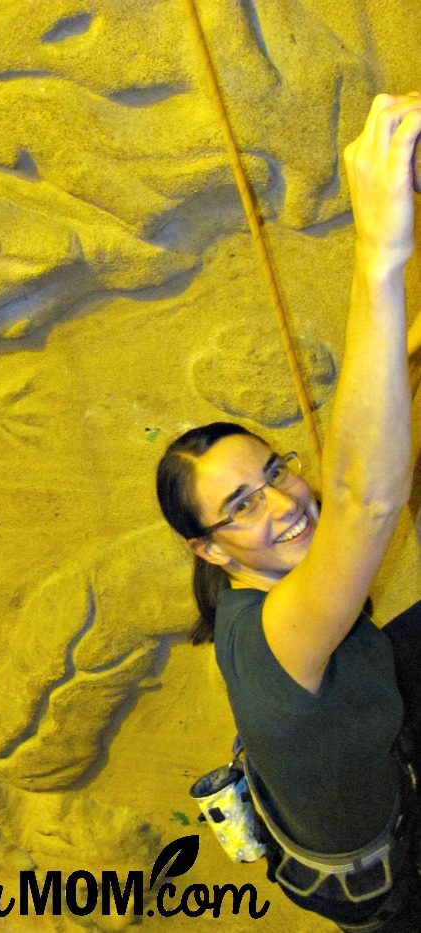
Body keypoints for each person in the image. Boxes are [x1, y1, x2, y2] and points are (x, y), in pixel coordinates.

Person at [156, 93, 421, 932]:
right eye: (243, 504)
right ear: (209, 549)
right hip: (387, 885)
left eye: (274, 470)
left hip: (359, 739)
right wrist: (380, 248)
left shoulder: (274, 593)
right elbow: (364, 498)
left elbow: (379, 404)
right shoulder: (276, 634)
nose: (284, 501)